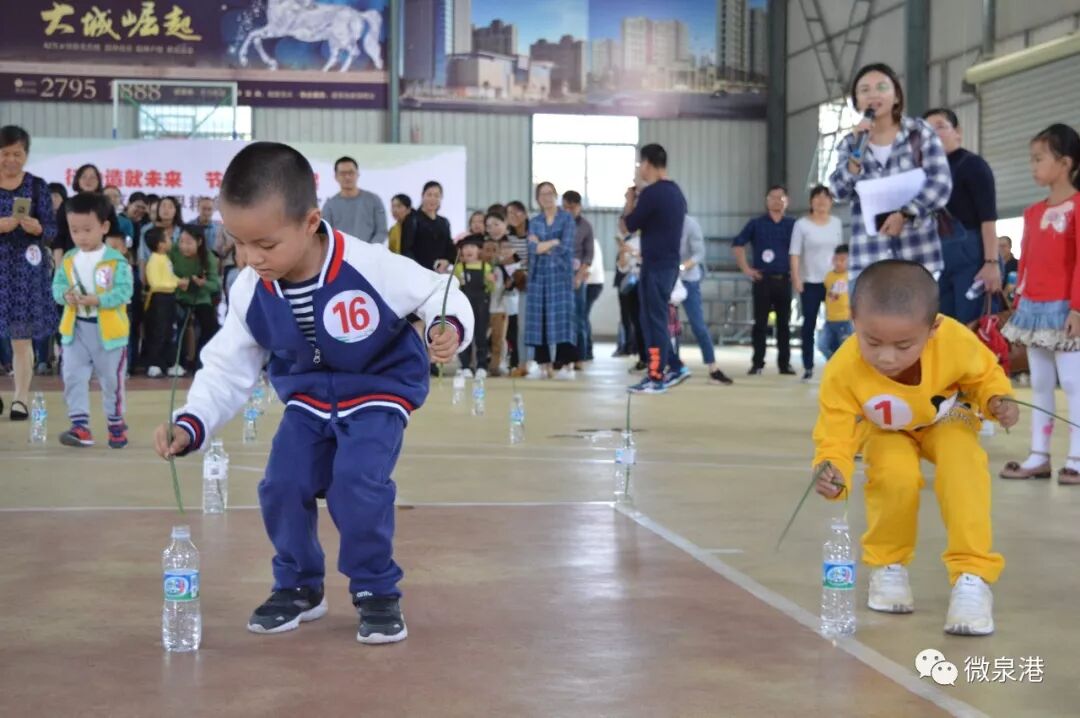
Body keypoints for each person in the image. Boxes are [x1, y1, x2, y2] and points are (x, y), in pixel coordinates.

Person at [153, 141, 473, 645]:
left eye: (266, 244)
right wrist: (193, 421)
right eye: (239, 243)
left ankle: (375, 590)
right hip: (307, 400)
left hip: (377, 392)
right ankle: (299, 585)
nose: (251, 258)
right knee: (281, 485)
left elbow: (439, 291)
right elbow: (227, 366)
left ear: (310, 222)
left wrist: (447, 325)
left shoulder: (369, 265)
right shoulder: (249, 289)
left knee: (356, 484)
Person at [813, 259, 1017, 636]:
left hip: (948, 420)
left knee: (964, 465)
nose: (886, 357)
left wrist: (997, 400)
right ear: (854, 320)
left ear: (933, 327)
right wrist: (832, 468)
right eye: (872, 342)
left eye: (904, 345)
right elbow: (836, 431)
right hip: (887, 431)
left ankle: (972, 576)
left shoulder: (953, 339)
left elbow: (985, 375)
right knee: (894, 475)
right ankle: (887, 565)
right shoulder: (843, 370)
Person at [999, 124, 1080, 483]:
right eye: (1031, 159)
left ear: (1065, 163)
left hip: (1067, 309)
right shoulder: (1032, 212)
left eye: (1039, 159)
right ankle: (1039, 455)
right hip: (1033, 309)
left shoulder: (1078, 207)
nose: (1032, 166)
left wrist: (1077, 308)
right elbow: (1026, 262)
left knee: (1074, 384)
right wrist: (1019, 303)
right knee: (1041, 383)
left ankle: (1077, 456)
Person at [829, 63, 952, 281]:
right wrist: (855, 157)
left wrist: (905, 214)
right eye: (864, 90)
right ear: (856, 101)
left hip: (918, 257)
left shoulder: (919, 132)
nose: (873, 94)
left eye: (882, 87)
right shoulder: (850, 143)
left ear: (896, 96)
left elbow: (940, 183)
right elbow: (838, 191)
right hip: (869, 260)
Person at [51, 193, 133, 449]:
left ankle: (116, 423)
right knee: (73, 375)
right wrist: (65, 296)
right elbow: (57, 286)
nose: (81, 236)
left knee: (111, 381)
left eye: (87, 229)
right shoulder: (68, 259)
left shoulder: (116, 261)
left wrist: (98, 300)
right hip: (75, 329)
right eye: (74, 230)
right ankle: (80, 426)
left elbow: (124, 292)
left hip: (108, 334)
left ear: (104, 227)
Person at [0, 125, 58, 419]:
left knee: (20, 338)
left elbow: (53, 230)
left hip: (25, 272)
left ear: (26, 154)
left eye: (17, 153)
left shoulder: (37, 186)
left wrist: (38, 228)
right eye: (5, 153)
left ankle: (20, 399)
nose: (11, 159)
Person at [924, 108, 1002, 324]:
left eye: (940, 126)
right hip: (941, 262)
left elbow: (988, 219)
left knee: (974, 328)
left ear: (957, 132)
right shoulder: (927, 176)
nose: (934, 134)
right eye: (928, 131)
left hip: (973, 261)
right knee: (944, 328)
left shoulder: (972, 165)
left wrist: (991, 263)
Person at [621, 143, 688, 393]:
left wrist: (630, 201)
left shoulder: (652, 193)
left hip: (655, 266)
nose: (639, 169)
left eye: (640, 164)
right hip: (668, 266)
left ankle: (656, 376)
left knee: (653, 322)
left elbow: (628, 225)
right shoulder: (676, 192)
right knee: (652, 319)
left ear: (648, 163)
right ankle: (674, 366)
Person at [733, 185, 797, 376]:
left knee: (784, 324)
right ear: (767, 201)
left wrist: (797, 273)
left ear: (787, 201)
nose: (777, 201)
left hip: (784, 279)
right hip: (763, 280)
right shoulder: (756, 224)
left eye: (780, 197)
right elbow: (737, 244)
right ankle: (757, 363)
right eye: (773, 197)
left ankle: (784, 364)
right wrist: (746, 269)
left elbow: (802, 249)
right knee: (760, 324)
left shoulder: (793, 225)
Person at [790, 185, 844, 380]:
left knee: (838, 322)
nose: (822, 201)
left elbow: (841, 253)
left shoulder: (836, 223)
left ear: (831, 202)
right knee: (809, 323)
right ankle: (808, 366)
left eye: (826, 198)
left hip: (833, 282)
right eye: (817, 197)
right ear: (811, 202)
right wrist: (796, 277)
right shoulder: (802, 225)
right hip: (810, 281)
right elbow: (795, 253)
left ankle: (837, 363)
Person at [526, 182, 578, 380]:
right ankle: (543, 363)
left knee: (564, 318)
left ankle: (566, 363)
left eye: (550, 193)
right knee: (539, 319)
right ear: (537, 199)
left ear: (556, 195)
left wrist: (543, 245)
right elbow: (532, 248)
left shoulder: (566, 219)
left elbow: (565, 247)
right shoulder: (535, 221)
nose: (546, 197)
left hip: (560, 274)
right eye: (542, 194)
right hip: (538, 275)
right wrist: (552, 242)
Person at [679, 214, 733, 384]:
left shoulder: (690, 224)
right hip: (666, 278)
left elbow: (699, 253)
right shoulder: (659, 221)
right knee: (666, 326)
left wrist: (681, 267)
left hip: (688, 280)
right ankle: (670, 365)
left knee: (698, 325)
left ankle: (713, 368)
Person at [171, 224, 220, 372]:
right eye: (181, 241)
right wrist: (178, 282)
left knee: (210, 326)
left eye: (189, 243)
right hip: (178, 297)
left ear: (199, 242)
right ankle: (177, 362)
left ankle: (201, 361)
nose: (184, 246)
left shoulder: (208, 257)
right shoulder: (173, 252)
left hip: (200, 298)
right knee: (179, 324)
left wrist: (202, 283)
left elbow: (215, 285)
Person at [321, 156, 388, 246]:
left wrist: (368, 249)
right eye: (343, 173)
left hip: (369, 252)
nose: (347, 177)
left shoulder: (374, 200)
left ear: (358, 174)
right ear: (336, 176)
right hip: (342, 253)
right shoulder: (329, 205)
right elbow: (326, 235)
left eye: (351, 172)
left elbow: (381, 231)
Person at [142, 228, 181, 378]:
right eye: (168, 239)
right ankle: (154, 363)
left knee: (169, 331)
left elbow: (170, 277)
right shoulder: (154, 260)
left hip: (169, 297)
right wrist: (176, 283)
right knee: (158, 331)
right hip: (159, 298)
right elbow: (156, 282)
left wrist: (179, 281)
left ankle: (169, 363)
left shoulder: (165, 258)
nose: (171, 241)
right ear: (160, 244)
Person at [562, 191, 594, 370]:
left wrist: (579, 276)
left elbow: (588, 255)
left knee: (579, 318)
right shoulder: (557, 223)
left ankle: (580, 357)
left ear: (579, 207)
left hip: (577, 276)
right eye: (565, 207)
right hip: (558, 275)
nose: (568, 210)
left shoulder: (586, 226)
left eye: (572, 207)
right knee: (560, 318)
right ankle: (562, 358)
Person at [454, 236, 494, 376]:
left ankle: (482, 366)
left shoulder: (486, 267)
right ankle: (465, 365)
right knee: (465, 333)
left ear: (479, 250)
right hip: (464, 305)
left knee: (481, 335)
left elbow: (490, 289)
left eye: (472, 247)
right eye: (465, 247)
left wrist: (491, 281)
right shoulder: (459, 268)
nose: (468, 250)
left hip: (481, 305)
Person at [400, 181, 455, 274]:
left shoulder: (444, 222)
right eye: (429, 195)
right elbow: (406, 250)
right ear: (422, 196)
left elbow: (449, 248)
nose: (433, 199)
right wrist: (418, 270)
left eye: (437, 196)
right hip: (418, 273)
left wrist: (447, 261)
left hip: (439, 274)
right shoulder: (412, 219)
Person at [818, 245, 854, 360]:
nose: (838, 263)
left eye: (842, 260)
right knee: (822, 345)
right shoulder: (829, 276)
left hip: (845, 320)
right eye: (836, 259)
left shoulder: (850, 277)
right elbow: (828, 294)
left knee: (844, 349)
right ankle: (835, 363)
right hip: (829, 320)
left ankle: (841, 366)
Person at [582, 235, 604, 364]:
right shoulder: (590, 242)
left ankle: (587, 350)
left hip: (592, 284)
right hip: (589, 283)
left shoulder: (592, 243)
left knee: (582, 316)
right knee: (583, 316)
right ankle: (586, 349)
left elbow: (589, 267)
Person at [999, 236, 1019, 301]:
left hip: (1010, 301)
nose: (1000, 248)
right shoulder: (994, 266)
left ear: (1010, 247)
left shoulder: (1018, 264)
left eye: (1003, 246)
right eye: (998, 246)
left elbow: (1011, 287)